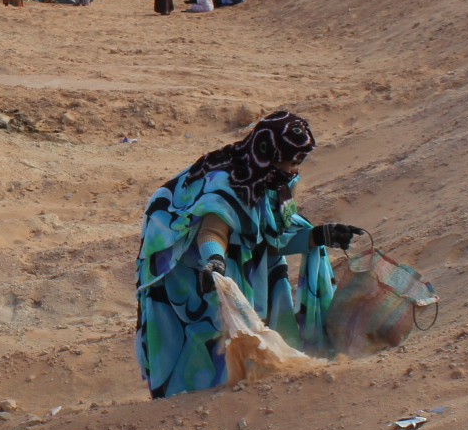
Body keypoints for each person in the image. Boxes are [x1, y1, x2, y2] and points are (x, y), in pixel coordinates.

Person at [133, 112, 363, 397]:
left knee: (250, 325)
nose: (293, 170)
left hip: (240, 267)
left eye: (298, 162)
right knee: (209, 336)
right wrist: (215, 263)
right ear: (269, 154)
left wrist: (319, 236)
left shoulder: (273, 185)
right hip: (193, 273)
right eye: (290, 161)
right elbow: (213, 232)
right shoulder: (228, 183)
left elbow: (270, 239)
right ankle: (198, 399)